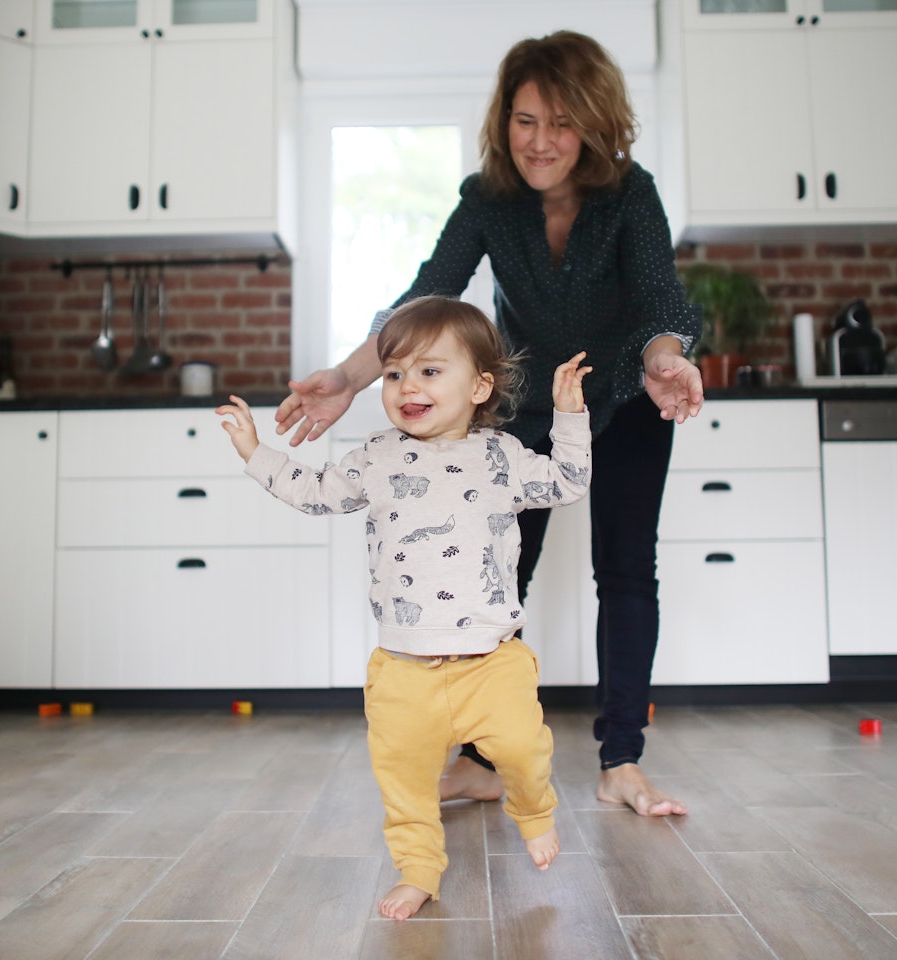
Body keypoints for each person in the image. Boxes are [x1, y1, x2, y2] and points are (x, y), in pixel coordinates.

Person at [275, 31, 704, 817]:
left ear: (596, 123)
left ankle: (621, 761)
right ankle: (478, 759)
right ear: (504, 121)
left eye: (564, 122)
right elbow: (425, 296)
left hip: (629, 400)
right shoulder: (487, 202)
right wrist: (345, 377)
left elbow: (659, 296)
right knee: (494, 574)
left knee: (626, 572)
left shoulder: (630, 194)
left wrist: (665, 359)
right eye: (526, 119)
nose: (542, 142)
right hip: (528, 410)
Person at [218, 296, 592, 920]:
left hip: (491, 663)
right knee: (405, 783)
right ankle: (418, 870)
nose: (405, 386)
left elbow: (568, 483)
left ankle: (534, 812)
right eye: (393, 374)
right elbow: (316, 494)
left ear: (479, 386)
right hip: (403, 668)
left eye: (428, 371)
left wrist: (568, 415)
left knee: (526, 752)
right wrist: (257, 453)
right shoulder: (377, 456)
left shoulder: (501, 456)